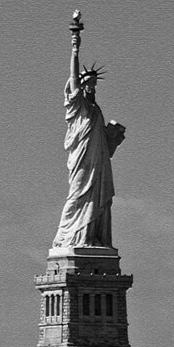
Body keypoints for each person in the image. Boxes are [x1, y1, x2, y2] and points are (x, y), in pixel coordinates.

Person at [53, 28, 125, 248]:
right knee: (77, 195)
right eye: (89, 83)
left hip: (99, 161)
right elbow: (74, 78)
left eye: (95, 83)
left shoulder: (95, 109)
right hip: (82, 160)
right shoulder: (79, 106)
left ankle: (92, 238)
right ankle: (67, 237)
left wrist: (112, 137)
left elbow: (101, 139)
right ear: (82, 87)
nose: (92, 86)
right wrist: (75, 49)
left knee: (98, 199)